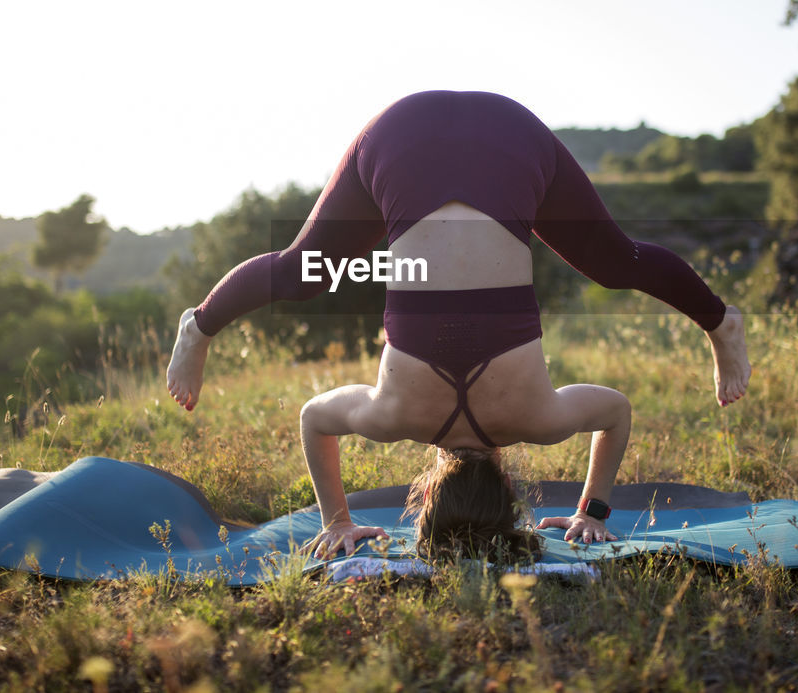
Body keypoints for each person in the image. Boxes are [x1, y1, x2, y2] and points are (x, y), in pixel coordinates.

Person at [166, 90, 750, 560]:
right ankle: (200, 327)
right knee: (306, 272)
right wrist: (337, 522)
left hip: (511, 137)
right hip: (402, 136)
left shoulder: (536, 420)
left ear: (511, 492)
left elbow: (616, 413)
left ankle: (721, 324)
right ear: (424, 496)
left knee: (617, 264)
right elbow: (314, 419)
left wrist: (591, 512)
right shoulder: (394, 416)